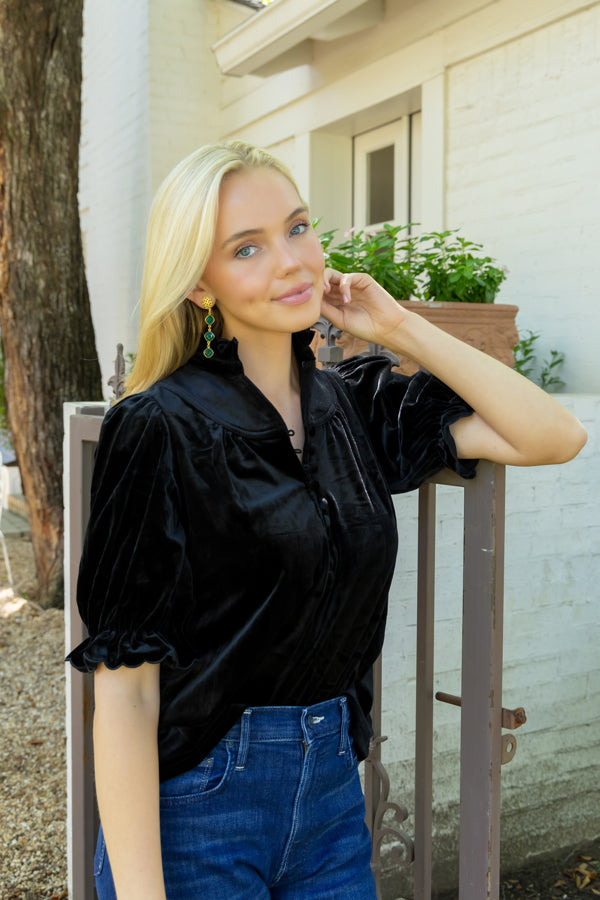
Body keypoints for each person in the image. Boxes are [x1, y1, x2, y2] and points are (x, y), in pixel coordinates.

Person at [67, 141, 586, 900]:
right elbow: (125, 690)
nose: (291, 260)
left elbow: (553, 434)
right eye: (247, 247)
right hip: (198, 805)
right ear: (200, 286)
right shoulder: (158, 426)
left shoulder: (351, 405)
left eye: (298, 228)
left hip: (333, 796)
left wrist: (399, 326)